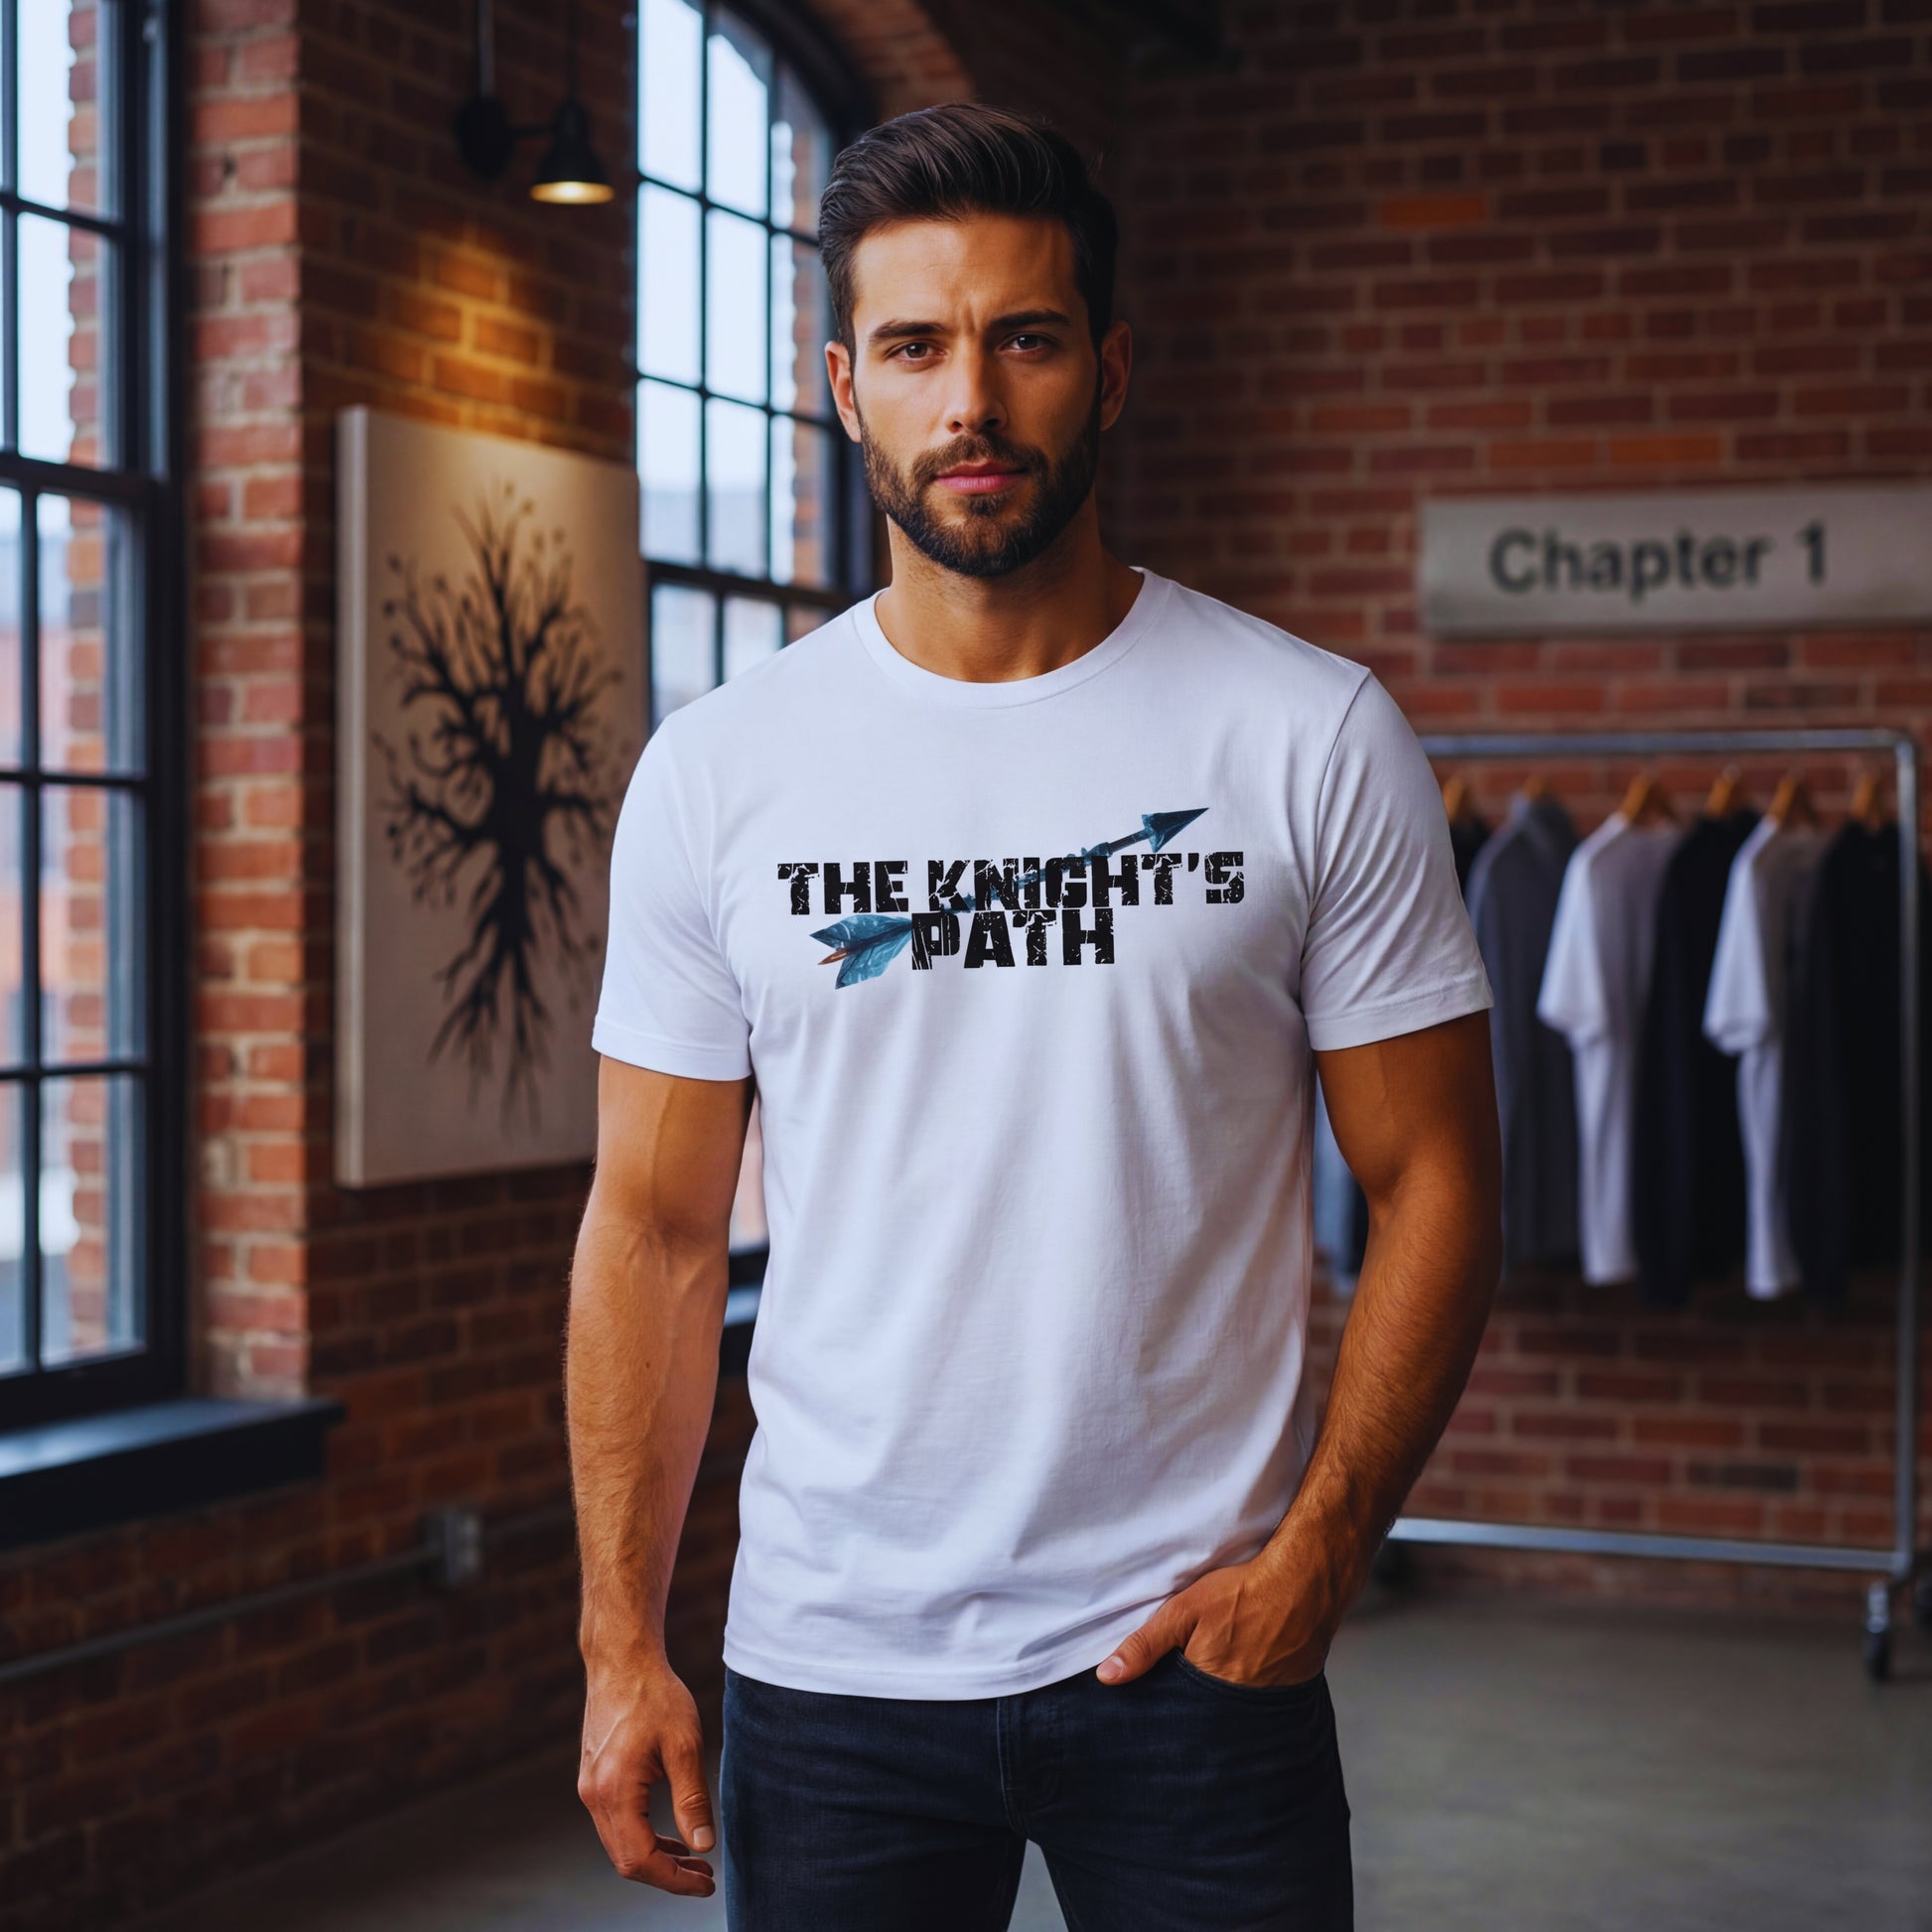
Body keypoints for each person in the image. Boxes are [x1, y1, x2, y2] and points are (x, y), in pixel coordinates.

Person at [569, 99, 1503, 1932]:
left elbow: (1443, 1182)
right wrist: (620, 1638)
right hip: (830, 1666)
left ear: (1112, 367)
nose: (969, 401)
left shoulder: (1303, 735)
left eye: (1026, 338)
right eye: (916, 346)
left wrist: (1315, 1562)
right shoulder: (719, 774)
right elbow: (655, 1229)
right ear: (847, 385)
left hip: (1189, 1661)